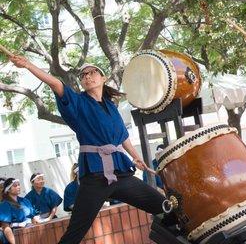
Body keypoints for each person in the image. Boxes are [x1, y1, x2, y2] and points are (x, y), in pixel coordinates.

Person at [8, 56, 166, 244]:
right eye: (83, 75)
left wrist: (136, 158)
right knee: (75, 232)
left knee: (163, 205)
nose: (87, 76)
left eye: (92, 72)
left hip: (121, 175)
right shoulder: (78, 103)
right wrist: (27, 64)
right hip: (95, 178)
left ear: (103, 77)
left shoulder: (111, 106)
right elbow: (56, 84)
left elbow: (123, 137)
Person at [0, 178, 41, 244]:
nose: (18, 187)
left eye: (19, 185)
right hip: (17, 235)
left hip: (31, 233)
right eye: (15, 185)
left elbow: (33, 218)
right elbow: (6, 227)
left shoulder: (25, 201)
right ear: (8, 189)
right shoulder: (4, 205)